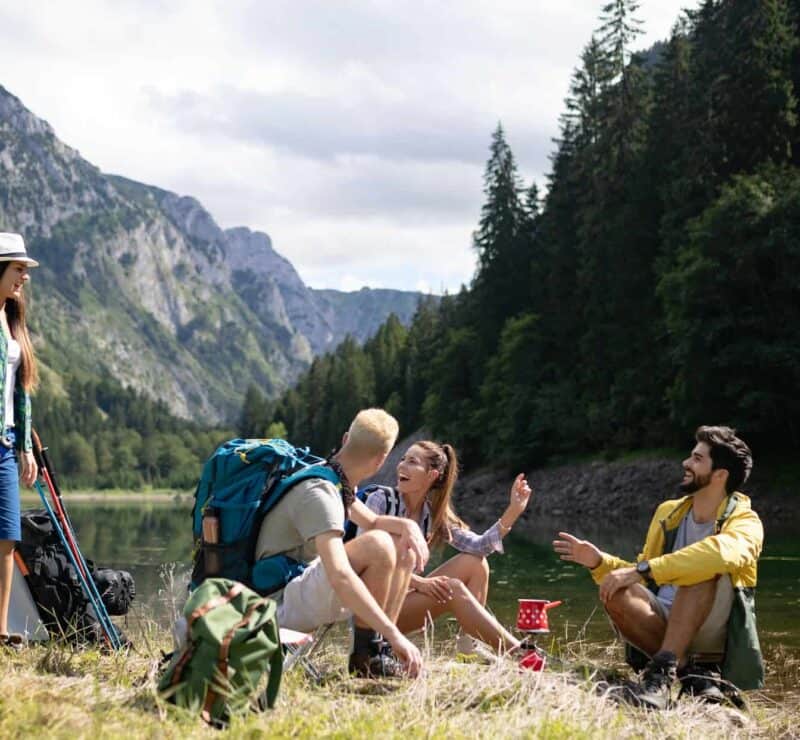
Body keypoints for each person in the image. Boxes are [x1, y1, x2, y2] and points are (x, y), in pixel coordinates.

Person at [554, 426, 763, 709]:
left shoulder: (746, 521)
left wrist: (642, 570)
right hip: (662, 621)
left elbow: (720, 555)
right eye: (691, 456)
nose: (685, 463)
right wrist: (599, 563)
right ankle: (683, 672)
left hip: (711, 624)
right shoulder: (669, 512)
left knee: (700, 569)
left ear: (720, 475)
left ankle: (677, 671)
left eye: (697, 459)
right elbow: (642, 573)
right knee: (614, 590)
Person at [255, 408, 430, 678]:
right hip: (275, 606)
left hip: (293, 589)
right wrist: (395, 634)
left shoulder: (333, 479)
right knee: (379, 545)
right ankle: (366, 656)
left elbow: (371, 521)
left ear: (346, 437)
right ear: (381, 461)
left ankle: (378, 651)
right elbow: (339, 575)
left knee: (400, 548)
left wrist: (407, 526)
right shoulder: (321, 493)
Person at [360, 440, 533, 656]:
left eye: (412, 461)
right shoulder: (381, 500)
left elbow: (479, 546)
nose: (401, 466)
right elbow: (367, 562)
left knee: (476, 563)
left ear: (431, 475)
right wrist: (419, 583)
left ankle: (467, 646)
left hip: (402, 602)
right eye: (403, 459)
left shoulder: (431, 514)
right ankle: (520, 654)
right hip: (369, 608)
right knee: (454, 589)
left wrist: (513, 510)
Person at [0, 233, 40, 648]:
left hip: (7, 445)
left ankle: (0, 630)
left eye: (25, 271)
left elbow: (20, 391)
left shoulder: (13, 323)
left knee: (7, 537)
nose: (23, 278)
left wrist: (25, 447)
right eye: (18, 269)